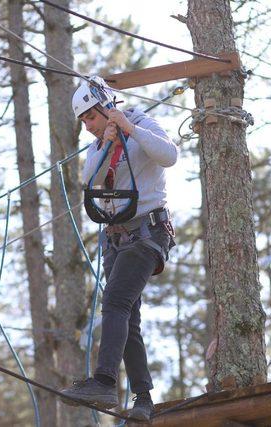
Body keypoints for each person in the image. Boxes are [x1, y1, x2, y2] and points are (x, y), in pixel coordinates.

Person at [60, 78, 178, 422]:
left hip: (147, 232)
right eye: (83, 122)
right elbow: (90, 182)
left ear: (106, 109)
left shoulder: (142, 123)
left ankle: (104, 380)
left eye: (90, 119)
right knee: (127, 317)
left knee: (115, 303)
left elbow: (168, 155)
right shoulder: (99, 144)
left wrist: (128, 128)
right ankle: (144, 400)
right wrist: (106, 141)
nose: (88, 127)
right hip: (116, 238)